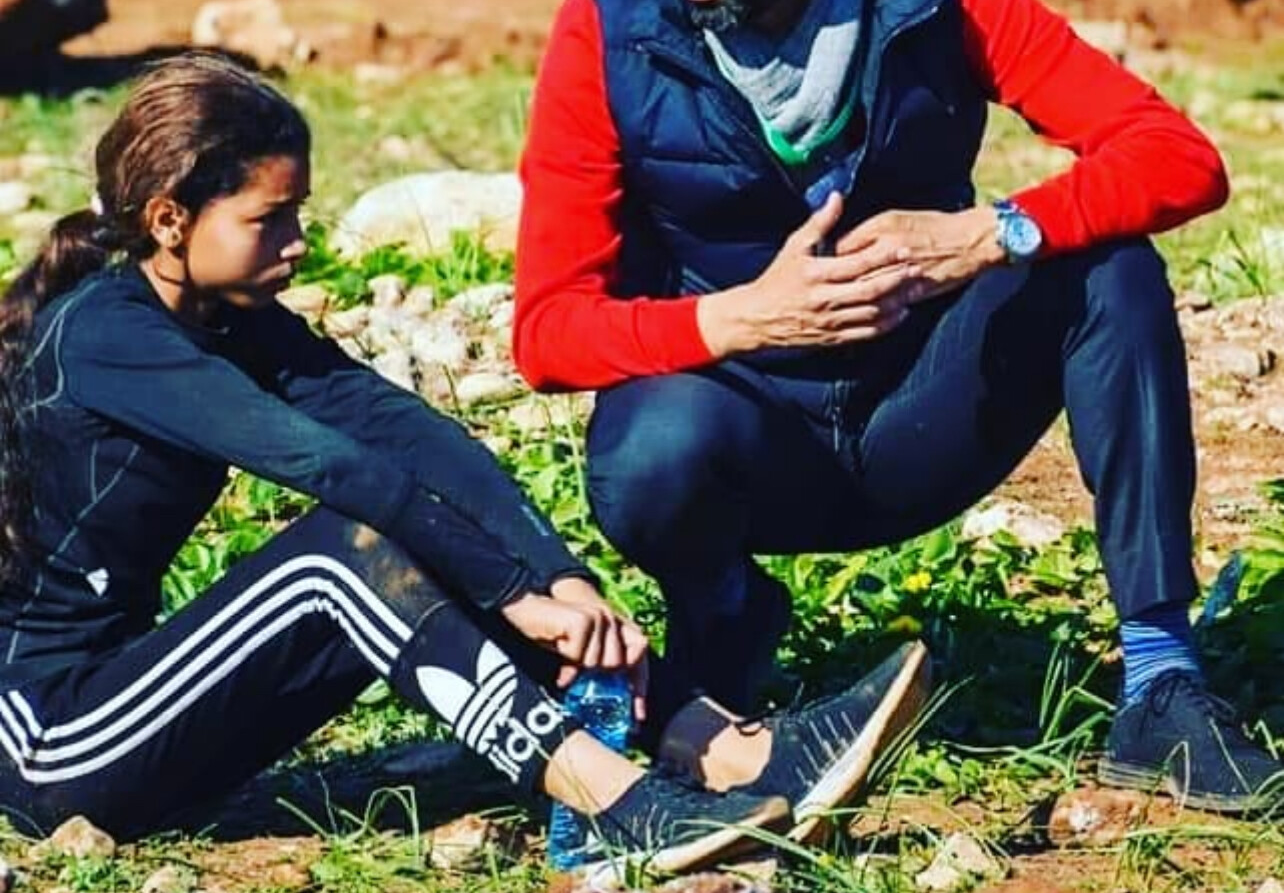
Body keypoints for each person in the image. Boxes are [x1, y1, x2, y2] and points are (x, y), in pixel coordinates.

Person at [513, 0, 1284, 815]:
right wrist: (740, 319)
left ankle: (1161, 680)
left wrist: (988, 235)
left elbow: (1176, 155)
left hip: (922, 412)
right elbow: (547, 330)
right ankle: (724, 616)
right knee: (647, 452)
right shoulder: (607, 15)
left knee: (1108, 269)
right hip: (744, 433)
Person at [0, 51, 925, 870]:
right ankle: (615, 804)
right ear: (170, 219)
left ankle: (732, 753)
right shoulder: (107, 335)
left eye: (299, 213)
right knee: (343, 551)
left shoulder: (229, 318)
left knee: (412, 523)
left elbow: (411, 437)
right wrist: (509, 591)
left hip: (147, 704)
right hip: (55, 744)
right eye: (269, 219)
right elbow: (328, 468)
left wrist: (557, 579)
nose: (298, 242)